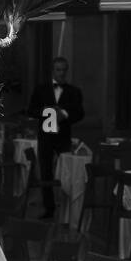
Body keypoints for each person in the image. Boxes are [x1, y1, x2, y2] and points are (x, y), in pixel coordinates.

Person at [28, 56, 85, 218]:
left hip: (63, 137)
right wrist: (46, 112)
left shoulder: (74, 91)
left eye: (64, 70)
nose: (61, 73)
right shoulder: (41, 90)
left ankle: (67, 211)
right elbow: (31, 110)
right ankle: (49, 209)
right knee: (46, 172)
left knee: (67, 172)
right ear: (53, 71)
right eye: (58, 69)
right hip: (45, 137)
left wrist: (64, 114)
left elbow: (80, 113)